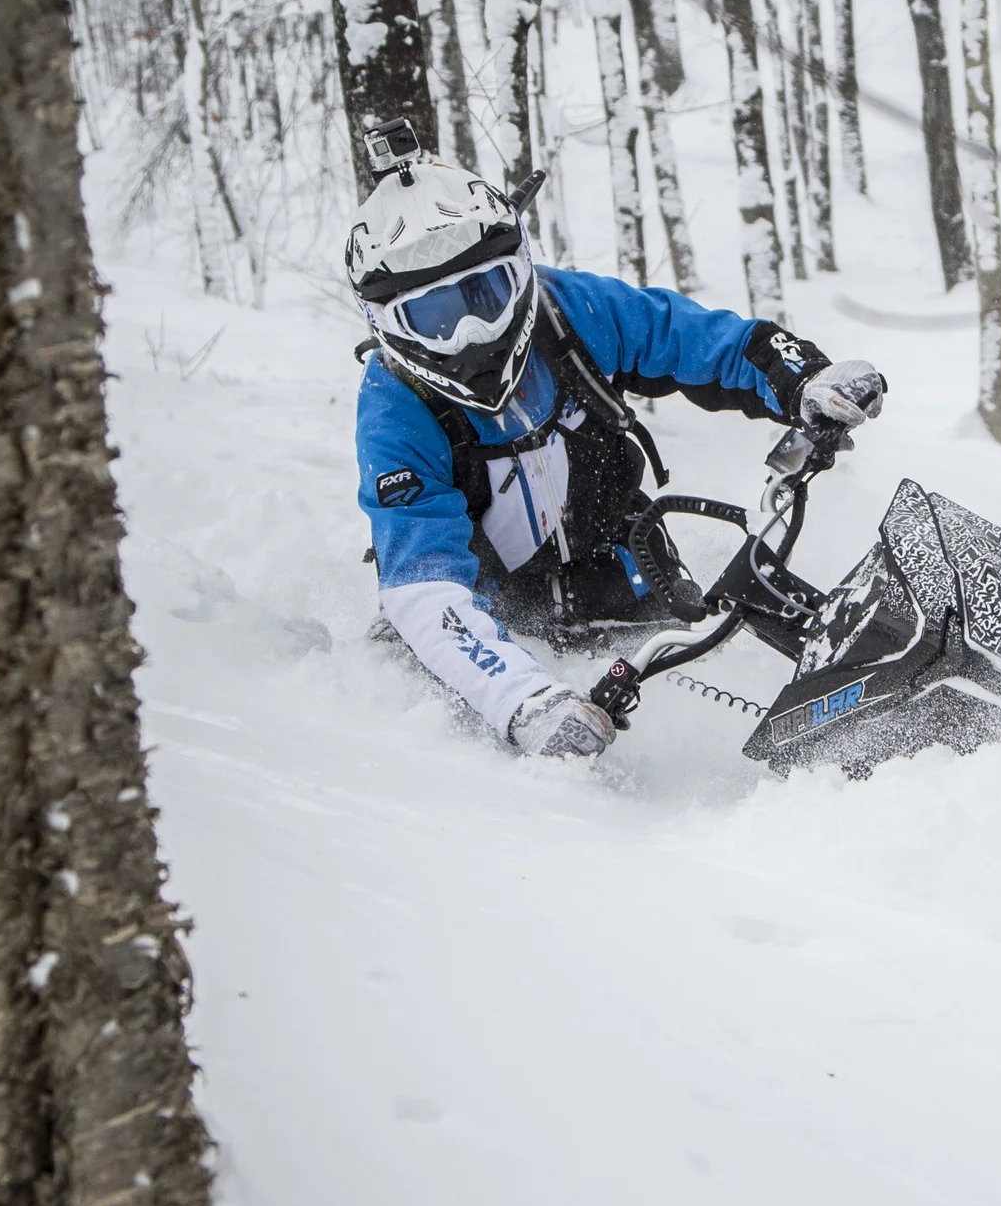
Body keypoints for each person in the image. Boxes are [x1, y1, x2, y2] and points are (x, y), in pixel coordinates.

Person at [346, 154, 883, 760]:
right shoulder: (395, 411)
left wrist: (803, 378)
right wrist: (525, 702)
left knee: (711, 699)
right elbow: (424, 587)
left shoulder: (569, 311)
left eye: (487, 294)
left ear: (520, 271)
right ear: (387, 323)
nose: (473, 333)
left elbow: (696, 337)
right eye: (434, 317)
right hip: (490, 631)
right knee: (443, 736)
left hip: (625, 570)